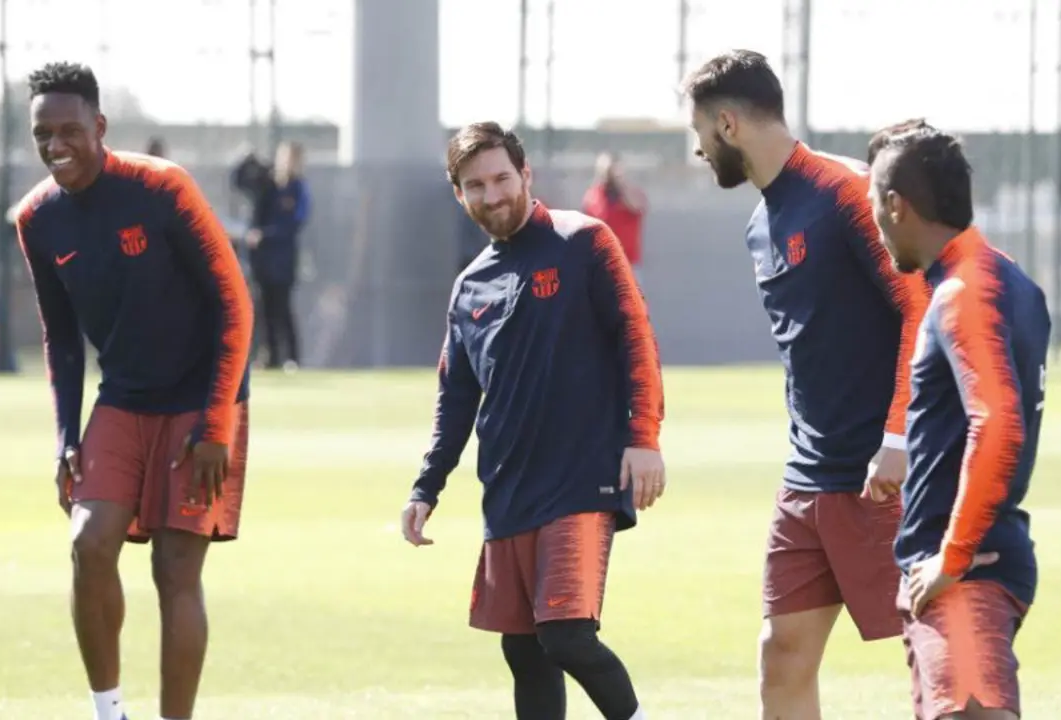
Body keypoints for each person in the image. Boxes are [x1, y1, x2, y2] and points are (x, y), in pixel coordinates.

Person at [678, 49, 931, 718]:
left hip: (884, 474)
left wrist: (899, 438)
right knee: (782, 653)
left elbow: (921, 307)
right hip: (806, 478)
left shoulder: (847, 192)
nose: (698, 148)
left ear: (727, 125)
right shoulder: (760, 225)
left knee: (938, 650)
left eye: (699, 130)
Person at [398, 121, 665, 720]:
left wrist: (643, 437)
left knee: (566, 635)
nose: (492, 195)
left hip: (581, 479)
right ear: (459, 195)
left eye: (501, 178)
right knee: (523, 650)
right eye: (475, 186)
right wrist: (425, 488)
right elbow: (455, 398)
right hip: (508, 489)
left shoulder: (585, 242)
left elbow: (637, 339)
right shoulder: (469, 286)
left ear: (526, 174)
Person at [13, 61, 254, 720]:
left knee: (175, 570)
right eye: (42, 134)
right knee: (88, 544)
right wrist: (66, 438)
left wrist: (216, 426)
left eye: (69, 130)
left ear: (99, 126)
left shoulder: (161, 188)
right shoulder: (36, 218)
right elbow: (61, 339)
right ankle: (109, 711)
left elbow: (235, 305)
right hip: (122, 398)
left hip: (201, 399)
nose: (56, 145)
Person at [868, 119, 1049, 720]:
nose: (874, 222)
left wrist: (952, 554)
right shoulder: (1008, 279)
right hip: (974, 563)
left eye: (874, 204)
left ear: (896, 205)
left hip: (965, 575)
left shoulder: (963, 293)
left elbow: (997, 425)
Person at [246, 140, 311, 371]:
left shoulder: (298, 188)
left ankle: (292, 357)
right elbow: (240, 180)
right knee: (265, 309)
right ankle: (270, 356)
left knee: (283, 308)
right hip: (263, 259)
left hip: (283, 260)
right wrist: (249, 159)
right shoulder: (268, 185)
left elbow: (295, 223)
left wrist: (266, 235)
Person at [581, 152, 648, 282]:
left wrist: (620, 185)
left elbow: (637, 206)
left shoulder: (631, 193)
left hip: (628, 264)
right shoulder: (593, 196)